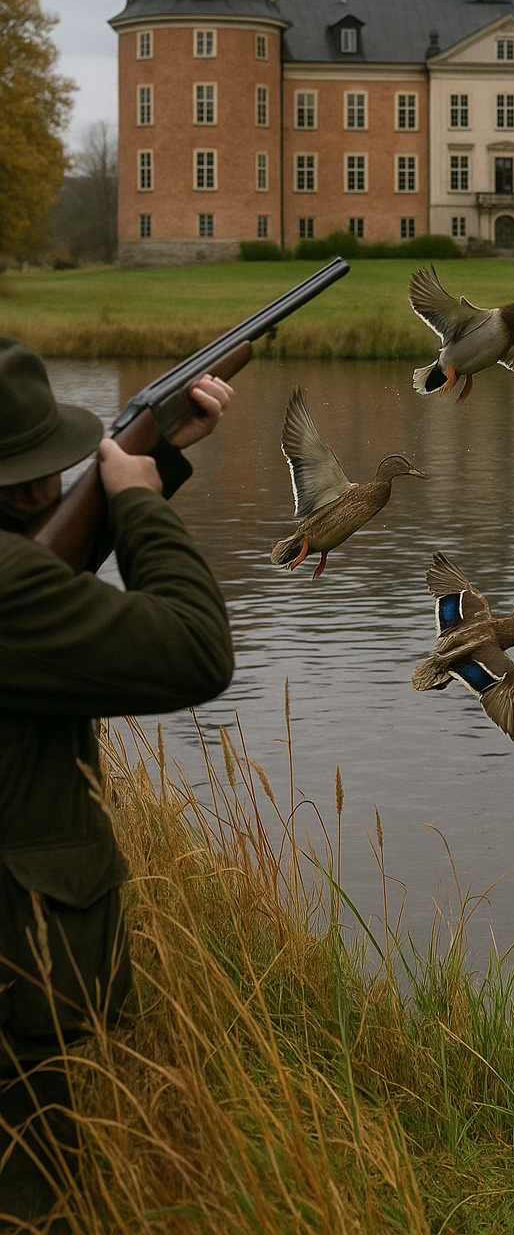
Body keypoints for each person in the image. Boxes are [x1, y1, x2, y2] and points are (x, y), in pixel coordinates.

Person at [0, 336, 235, 1225]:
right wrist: (138, 506)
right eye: (33, 473)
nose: (46, 486)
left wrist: (155, 456)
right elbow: (193, 652)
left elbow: (48, 602)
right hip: (15, 970)